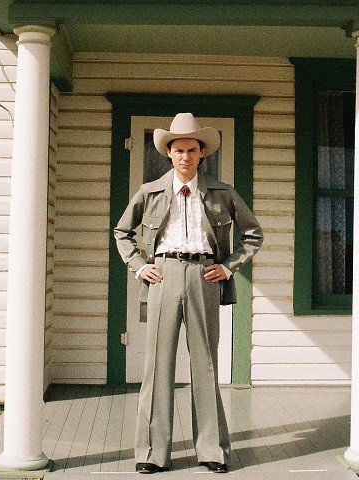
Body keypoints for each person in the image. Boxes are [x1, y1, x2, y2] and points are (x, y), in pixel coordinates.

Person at [114, 113, 263, 474]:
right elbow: (123, 232)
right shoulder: (149, 193)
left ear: (201, 153)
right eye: (178, 150)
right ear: (168, 153)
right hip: (163, 276)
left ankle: (211, 449)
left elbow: (252, 233)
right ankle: (151, 452)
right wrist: (139, 266)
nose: (185, 156)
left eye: (191, 150)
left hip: (204, 276)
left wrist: (228, 266)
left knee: (205, 363)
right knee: (157, 365)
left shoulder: (222, 193)